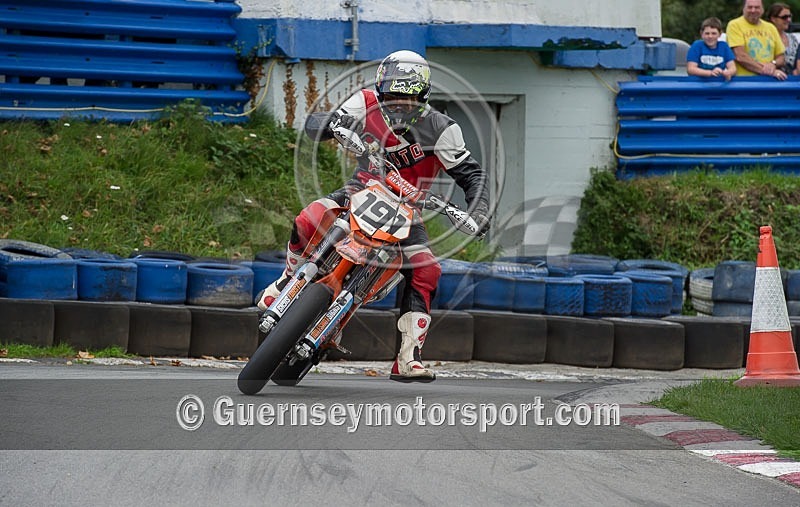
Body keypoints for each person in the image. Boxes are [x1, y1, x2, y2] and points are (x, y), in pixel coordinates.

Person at [255, 50, 491, 383]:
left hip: (408, 211)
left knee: (427, 268)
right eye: (392, 97)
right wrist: (326, 124)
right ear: (380, 91)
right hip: (360, 190)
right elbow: (323, 125)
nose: (398, 105)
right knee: (310, 217)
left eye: (407, 99)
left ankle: (409, 356)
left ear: (423, 97)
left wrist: (479, 210)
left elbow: (472, 175)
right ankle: (286, 282)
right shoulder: (363, 102)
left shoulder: (443, 128)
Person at [726, 0, 787, 79]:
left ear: (762, 9)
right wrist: (767, 71)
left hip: (769, 81)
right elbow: (740, 56)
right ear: (743, 9)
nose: (753, 10)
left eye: (757, 7)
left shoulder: (771, 27)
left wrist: (773, 63)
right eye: (750, 7)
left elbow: (781, 57)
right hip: (743, 81)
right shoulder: (734, 25)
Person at [767, 3, 800, 74]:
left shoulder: (793, 38)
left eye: (789, 16)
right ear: (773, 19)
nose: (788, 20)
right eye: (784, 17)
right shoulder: (765, 38)